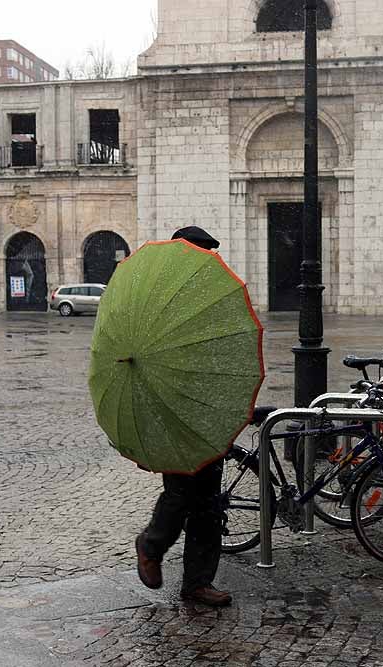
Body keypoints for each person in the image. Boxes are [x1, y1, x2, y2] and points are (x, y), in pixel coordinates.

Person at [134, 225, 232, 608]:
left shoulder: (211, 300)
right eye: (201, 255)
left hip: (209, 413)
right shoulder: (158, 301)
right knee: (180, 495)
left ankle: (197, 582)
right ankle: (151, 544)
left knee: (209, 504)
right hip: (172, 413)